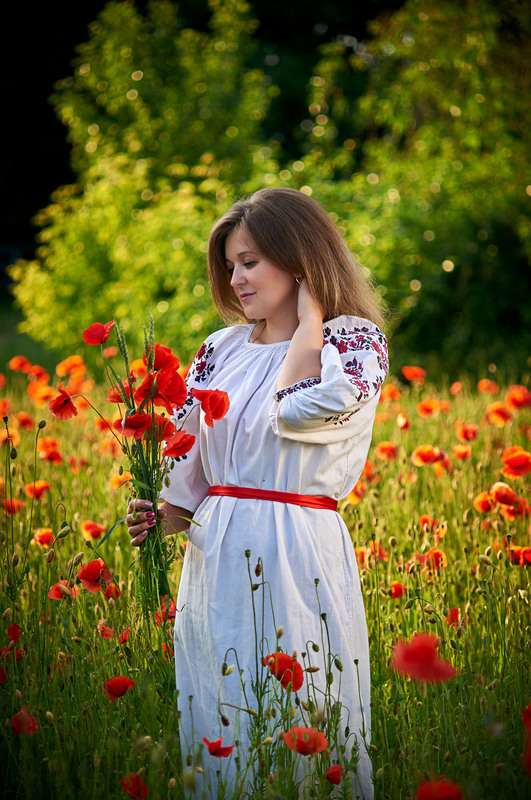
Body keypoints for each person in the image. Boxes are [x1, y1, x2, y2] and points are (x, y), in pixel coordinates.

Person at [126, 187, 388, 799]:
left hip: (294, 542)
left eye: (250, 262)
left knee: (302, 708)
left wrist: (312, 320)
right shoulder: (221, 349)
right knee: (222, 710)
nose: (236, 279)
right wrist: (163, 512)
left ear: (299, 262)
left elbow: (296, 412)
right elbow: (187, 450)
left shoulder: (350, 343)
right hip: (216, 549)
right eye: (230, 265)